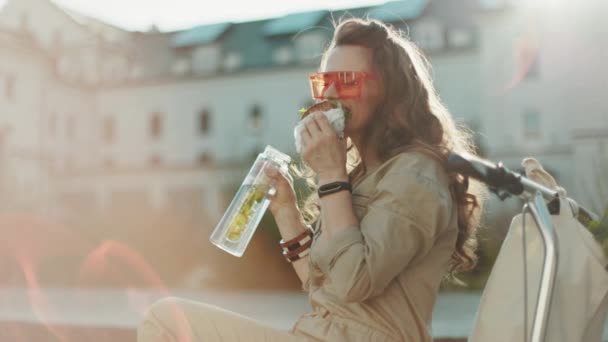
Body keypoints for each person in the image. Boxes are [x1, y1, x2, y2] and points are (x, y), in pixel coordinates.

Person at [137, 18, 485, 342]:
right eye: (325, 82)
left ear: (389, 91)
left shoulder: (416, 173)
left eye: (346, 81)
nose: (330, 95)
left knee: (166, 319)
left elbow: (353, 283)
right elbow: (322, 288)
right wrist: (286, 211)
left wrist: (331, 175)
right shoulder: (364, 175)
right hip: (317, 333)